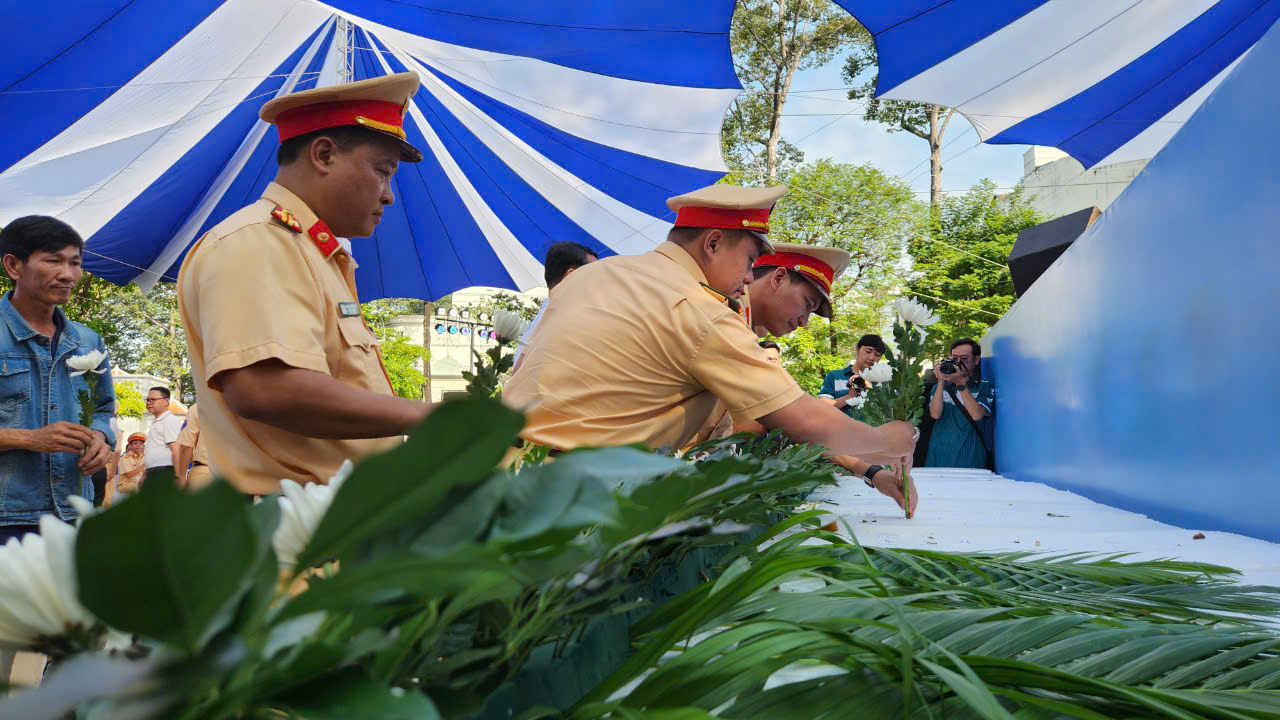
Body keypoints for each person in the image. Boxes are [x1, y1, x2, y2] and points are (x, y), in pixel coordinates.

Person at [503, 183, 916, 463]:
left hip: (499, 474)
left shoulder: (594, 274)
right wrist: (886, 441)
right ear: (713, 243)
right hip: (570, 502)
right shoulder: (702, 310)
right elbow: (802, 420)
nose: (749, 278)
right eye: (750, 261)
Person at [177, 72, 435, 495]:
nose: (388, 195)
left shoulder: (310, 251)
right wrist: (432, 417)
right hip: (286, 519)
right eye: (383, 171)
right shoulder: (258, 242)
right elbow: (266, 390)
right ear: (324, 155)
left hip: (323, 514)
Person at [0, 216, 115, 542]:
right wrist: (28, 439)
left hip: (74, 512)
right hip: (7, 518)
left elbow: (105, 409)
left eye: (75, 263)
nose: (68, 274)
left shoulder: (88, 341)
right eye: (53, 261)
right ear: (13, 266)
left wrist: (101, 437)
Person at [514, 242, 598, 365]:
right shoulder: (561, 322)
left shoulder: (546, 320)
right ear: (572, 276)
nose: (600, 282)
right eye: (595, 274)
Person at [925, 338, 996, 469]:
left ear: (976, 360)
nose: (958, 363)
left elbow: (976, 415)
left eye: (964, 359)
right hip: (937, 455)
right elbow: (935, 414)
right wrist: (941, 381)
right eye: (954, 358)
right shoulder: (939, 387)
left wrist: (960, 383)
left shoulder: (984, 386)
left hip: (969, 456)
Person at [819, 334, 885, 417]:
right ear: (857, 348)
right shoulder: (835, 376)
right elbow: (822, 406)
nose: (871, 358)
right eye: (868, 351)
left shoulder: (883, 381)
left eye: (877, 355)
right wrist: (850, 396)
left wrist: (871, 389)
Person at [142, 387, 184, 484]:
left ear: (166, 401)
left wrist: (178, 477)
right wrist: (144, 474)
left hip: (164, 472)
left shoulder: (169, 420)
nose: (149, 403)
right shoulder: (158, 421)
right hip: (153, 472)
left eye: (153, 399)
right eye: (147, 400)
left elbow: (177, 449)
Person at [175, 403, 212, 490]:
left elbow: (186, 445)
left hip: (204, 474)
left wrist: (181, 476)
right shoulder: (243, 405)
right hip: (238, 477)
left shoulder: (199, 407)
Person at [105, 433, 146, 506]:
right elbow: (129, 474)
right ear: (130, 445)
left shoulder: (145, 458)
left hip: (140, 482)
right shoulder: (124, 459)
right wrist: (143, 466)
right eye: (135, 443)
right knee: (144, 485)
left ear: (143, 446)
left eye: (140, 443)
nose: (138, 445)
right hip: (126, 485)